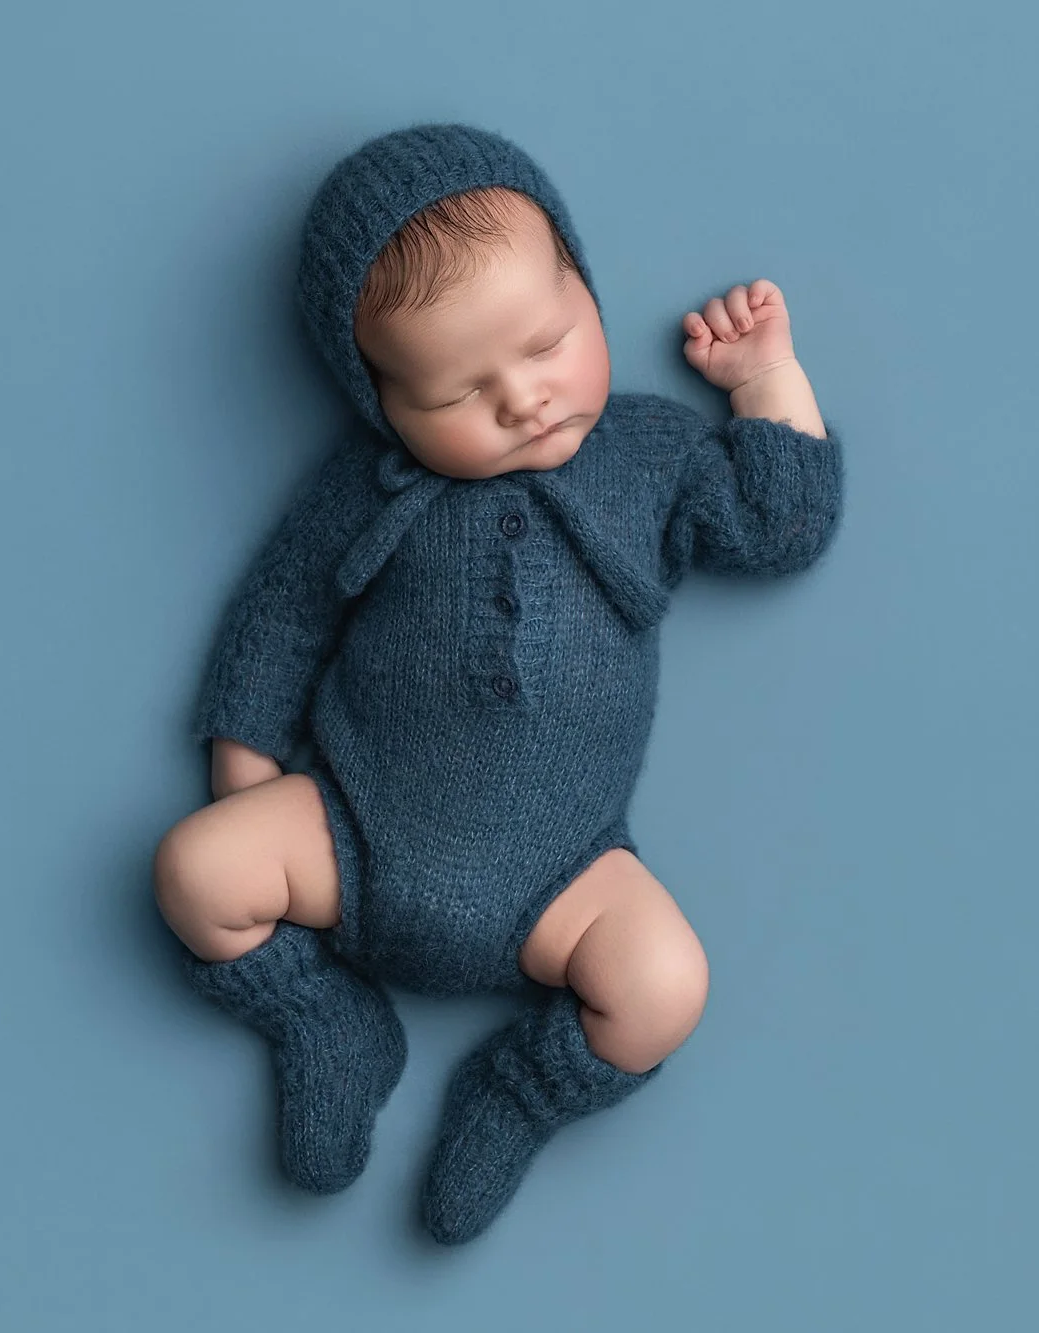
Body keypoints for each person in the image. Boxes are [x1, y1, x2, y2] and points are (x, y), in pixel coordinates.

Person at [154, 121, 844, 1245]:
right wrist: (243, 760)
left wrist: (766, 377)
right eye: (456, 392)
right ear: (380, 402)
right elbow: (279, 611)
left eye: (547, 340)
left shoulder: (647, 456)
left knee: (664, 986)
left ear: (583, 281)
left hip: (562, 878)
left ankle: (520, 1095)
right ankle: (326, 1024)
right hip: (355, 833)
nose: (523, 399)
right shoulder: (363, 487)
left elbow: (780, 525)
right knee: (192, 872)